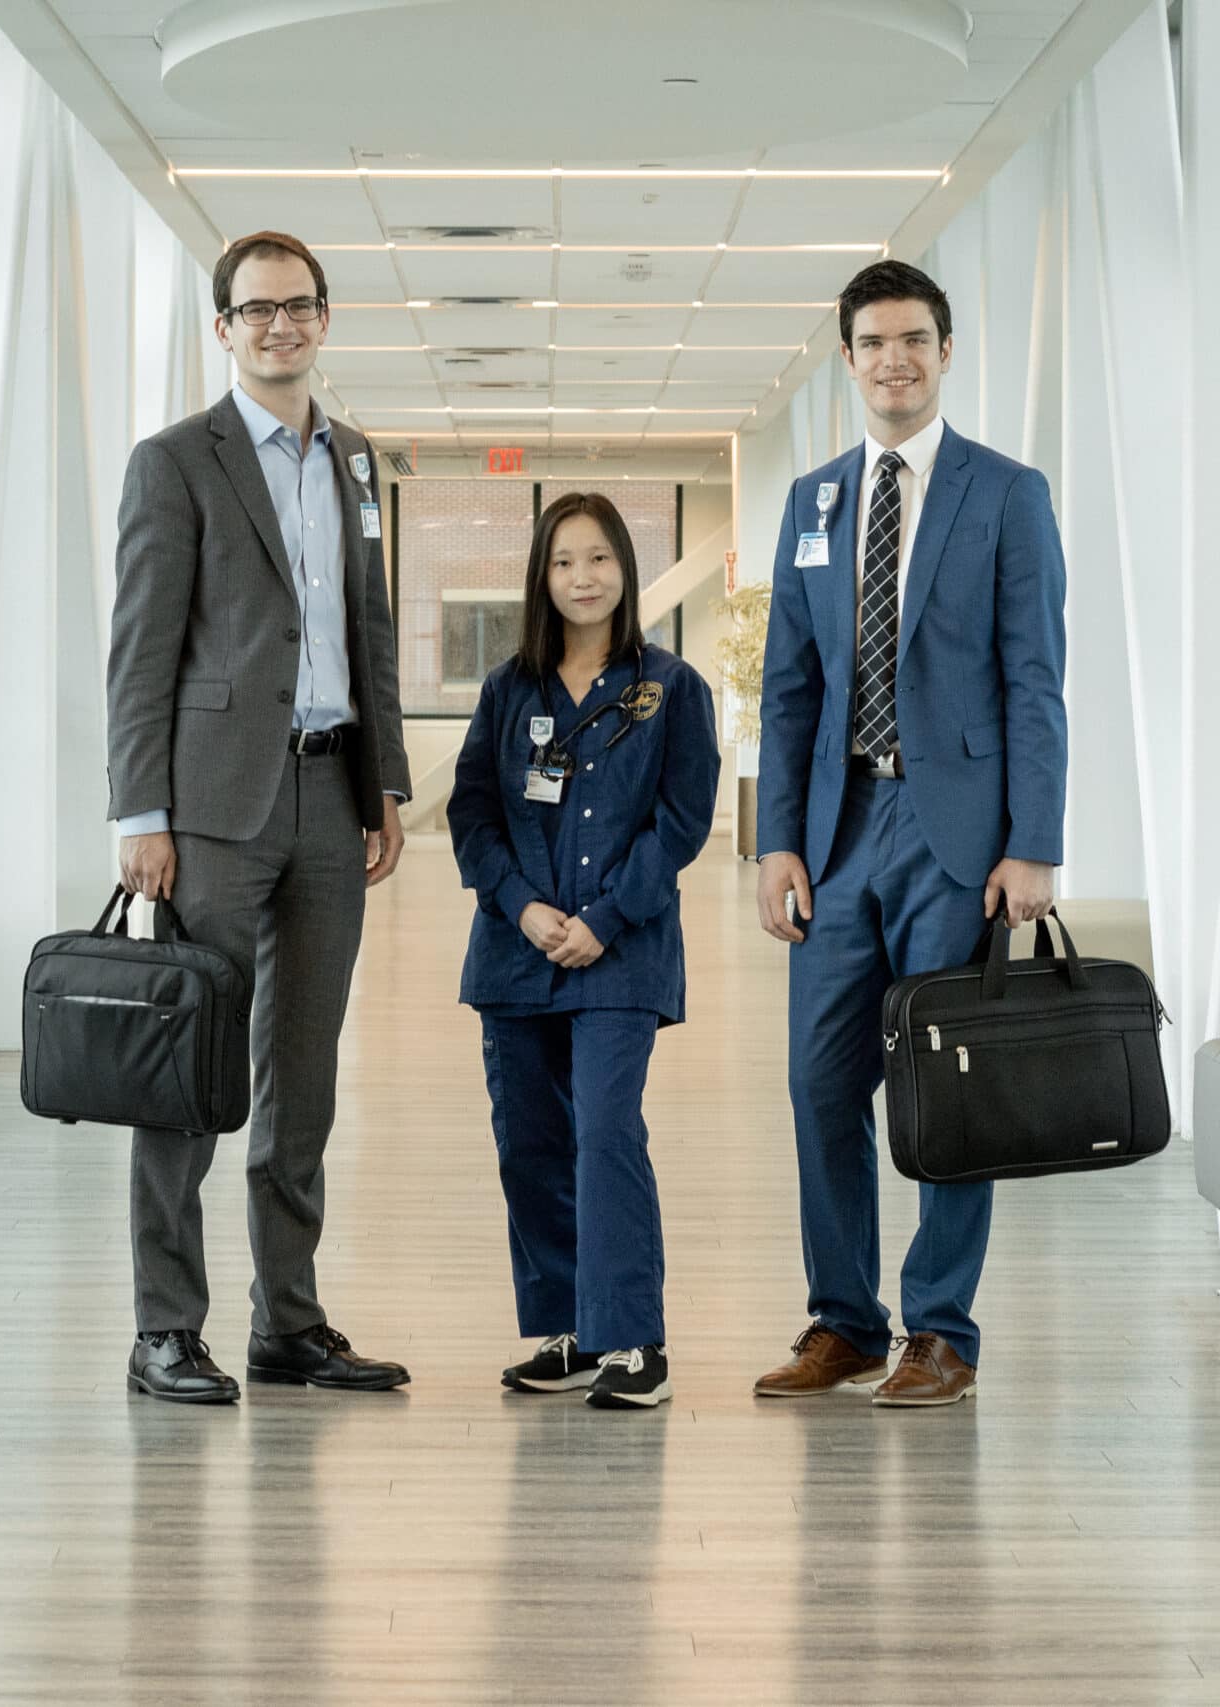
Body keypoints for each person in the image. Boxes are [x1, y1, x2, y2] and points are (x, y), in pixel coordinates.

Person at [751, 260, 1070, 1408]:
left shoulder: (1005, 493)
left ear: (945, 354)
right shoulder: (814, 501)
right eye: (874, 341)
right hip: (837, 831)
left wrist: (1034, 841)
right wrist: (773, 839)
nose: (894, 359)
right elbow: (789, 687)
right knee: (819, 1083)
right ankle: (841, 1321)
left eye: (915, 341)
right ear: (847, 358)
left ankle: (941, 1332)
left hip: (956, 834)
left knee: (948, 1089)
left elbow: (1035, 679)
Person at [105, 229, 414, 1405]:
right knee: (191, 1071)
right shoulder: (176, 461)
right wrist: (142, 810)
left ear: (325, 320)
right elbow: (140, 649)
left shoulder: (357, 461)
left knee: (304, 1075)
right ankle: (163, 1329)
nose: (279, 327)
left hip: (332, 797)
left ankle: (288, 1321)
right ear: (223, 328)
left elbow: (371, 632)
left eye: (299, 307)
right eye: (256, 311)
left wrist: (386, 778)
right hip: (214, 808)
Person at [448, 493, 720, 1411]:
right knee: (530, 1142)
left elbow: (681, 823)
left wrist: (604, 918)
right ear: (542, 576)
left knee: (605, 1132)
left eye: (599, 559)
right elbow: (473, 817)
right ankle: (569, 1330)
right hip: (516, 953)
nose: (583, 578)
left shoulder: (672, 689)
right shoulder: (505, 691)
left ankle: (635, 1339)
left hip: (621, 951)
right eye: (564, 561)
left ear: (626, 572)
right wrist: (524, 910)